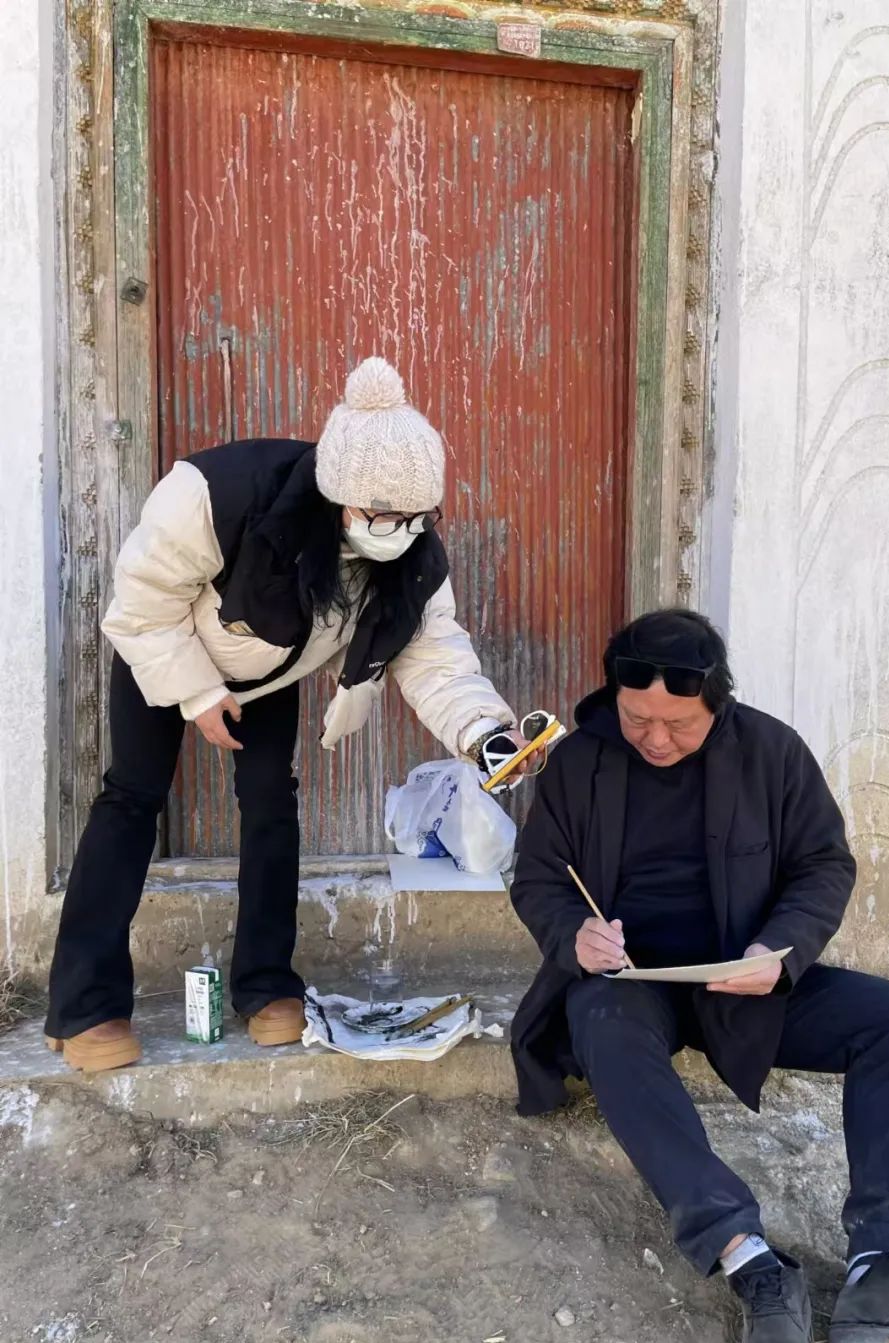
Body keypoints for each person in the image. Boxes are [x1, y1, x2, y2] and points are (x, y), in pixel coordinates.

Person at [509, 609, 889, 1343]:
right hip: (631, 983)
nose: (652, 737)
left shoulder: (771, 752)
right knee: (601, 1019)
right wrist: (571, 934)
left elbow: (825, 863)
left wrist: (779, 949)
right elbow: (538, 876)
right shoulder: (579, 762)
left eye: (675, 724)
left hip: (744, 981)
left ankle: (887, 1269)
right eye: (635, 717)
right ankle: (751, 1263)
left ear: (717, 702)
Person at [47, 358, 531, 1073]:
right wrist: (199, 695)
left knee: (272, 803)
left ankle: (268, 985)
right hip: (167, 642)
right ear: (338, 496)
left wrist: (488, 734)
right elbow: (140, 602)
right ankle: (84, 1005)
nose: (398, 531)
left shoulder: (411, 555)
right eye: (380, 516)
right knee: (131, 798)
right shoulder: (220, 493)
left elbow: (435, 657)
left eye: (414, 518)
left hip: (272, 666)